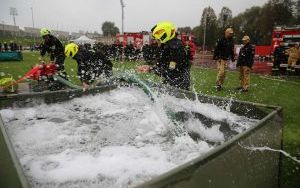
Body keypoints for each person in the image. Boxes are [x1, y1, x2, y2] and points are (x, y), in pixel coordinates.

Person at [137, 21, 191, 90]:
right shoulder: (168, 46)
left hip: (179, 86)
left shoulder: (175, 48)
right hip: (173, 82)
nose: (156, 41)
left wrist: (151, 69)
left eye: (157, 39)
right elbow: (162, 64)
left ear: (164, 37)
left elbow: (171, 71)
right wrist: (150, 67)